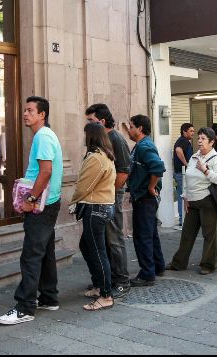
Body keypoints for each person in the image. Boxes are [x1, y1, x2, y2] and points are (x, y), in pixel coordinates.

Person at [0, 97, 63, 325]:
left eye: (30, 110)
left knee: (31, 255)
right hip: (49, 202)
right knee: (45, 252)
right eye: (24, 110)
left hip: (42, 205)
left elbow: (45, 171)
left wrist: (31, 199)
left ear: (42, 115)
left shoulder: (43, 136)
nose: (25, 114)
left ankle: (25, 307)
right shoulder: (45, 135)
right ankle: (49, 297)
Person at [85, 104, 132, 298]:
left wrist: (110, 194)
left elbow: (124, 171)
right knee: (103, 239)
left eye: (91, 120)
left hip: (111, 196)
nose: (88, 124)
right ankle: (108, 278)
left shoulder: (116, 139)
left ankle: (122, 281)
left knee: (114, 238)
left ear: (102, 121)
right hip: (103, 197)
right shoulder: (103, 139)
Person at [168, 127, 217, 275]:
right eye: (199, 138)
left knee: (209, 235)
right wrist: (185, 196)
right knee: (187, 234)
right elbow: (187, 177)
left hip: (208, 201)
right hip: (192, 201)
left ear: (211, 142)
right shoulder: (194, 157)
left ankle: (208, 264)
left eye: (203, 139)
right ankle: (179, 263)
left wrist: (205, 170)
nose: (199, 141)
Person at [71, 123, 116, 311]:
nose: (83, 137)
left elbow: (84, 185)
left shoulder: (96, 158)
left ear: (91, 136)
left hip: (96, 208)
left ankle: (105, 295)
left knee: (97, 251)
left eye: (85, 134)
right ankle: (99, 285)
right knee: (87, 246)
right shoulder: (105, 155)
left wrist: (73, 201)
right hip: (103, 206)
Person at [126, 114, 166, 286]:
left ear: (140, 128)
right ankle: (157, 265)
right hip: (143, 197)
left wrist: (151, 187)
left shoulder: (145, 146)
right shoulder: (141, 145)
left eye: (131, 126)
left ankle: (147, 274)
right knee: (150, 234)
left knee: (142, 236)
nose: (129, 130)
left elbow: (158, 167)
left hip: (145, 197)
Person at [173, 123, 195, 226]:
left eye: (193, 131)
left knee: (181, 195)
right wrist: (186, 164)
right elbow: (178, 150)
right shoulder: (183, 141)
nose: (193, 133)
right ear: (184, 132)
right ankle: (184, 220)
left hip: (180, 173)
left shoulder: (183, 141)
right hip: (182, 173)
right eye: (191, 131)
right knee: (185, 195)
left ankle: (182, 219)